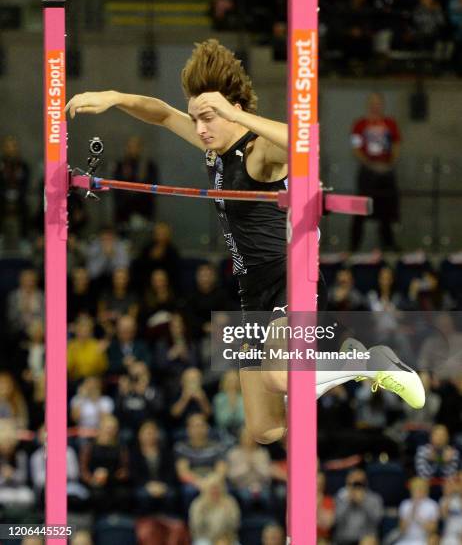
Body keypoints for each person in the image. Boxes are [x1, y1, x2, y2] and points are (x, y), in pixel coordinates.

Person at [66, 39, 425, 446]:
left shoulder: (257, 151)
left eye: (208, 118)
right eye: (196, 118)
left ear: (230, 111)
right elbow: (163, 114)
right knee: (265, 429)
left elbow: (305, 142)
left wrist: (237, 116)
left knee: (276, 374)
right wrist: (113, 97)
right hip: (250, 294)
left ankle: (366, 361)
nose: (200, 129)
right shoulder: (212, 150)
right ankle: (326, 363)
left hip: (290, 281)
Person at [350, 92, 401, 251]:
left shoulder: (390, 124)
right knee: (360, 208)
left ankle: (389, 244)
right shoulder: (359, 125)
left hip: (386, 171)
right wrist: (370, 164)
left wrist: (388, 164)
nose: (375, 106)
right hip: (367, 171)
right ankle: (354, 246)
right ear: (368, 104)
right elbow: (355, 148)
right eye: (372, 102)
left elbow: (396, 145)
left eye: (378, 102)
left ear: (382, 105)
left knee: (387, 209)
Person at [333, 468, 384, 545]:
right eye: (353, 482)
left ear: (365, 482)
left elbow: (377, 521)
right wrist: (348, 502)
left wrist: (363, 502)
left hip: (365, 539)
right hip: (343, 539)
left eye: (359, 483)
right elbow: (335, 520)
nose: (356, 486)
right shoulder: (340, 497)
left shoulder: (374, 498)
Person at [396, 477, 439, 544]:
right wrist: (411, 513)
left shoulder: (432, 505)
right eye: (415, 489)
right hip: (406, 539)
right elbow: (401, 529)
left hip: (424, 539)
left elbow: (433, 529)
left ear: (425, 490)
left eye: (420, 489)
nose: (417, 492)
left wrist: (418, 519)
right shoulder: (405, 504)